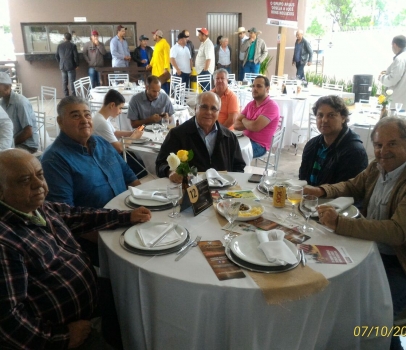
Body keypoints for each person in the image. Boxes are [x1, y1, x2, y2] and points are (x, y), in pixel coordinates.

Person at [0, 148, 151, 349]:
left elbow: (76, 215)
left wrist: (124, 216)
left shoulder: (35, 207)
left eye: (40, 175)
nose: (39, 185)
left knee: (143, 297)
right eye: (24, 180)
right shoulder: (5, 242)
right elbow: (8, 321)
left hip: (91, 300)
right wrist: (61, 338)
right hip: (68, 330)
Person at [304, 117, 406, 350]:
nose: (383, 151)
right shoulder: (376, 168)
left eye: (392, 144)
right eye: (379, 145)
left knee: (373, 315)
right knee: (328, 288)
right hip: (370, 252)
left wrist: (341, 224)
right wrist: (322, 190)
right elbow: (351, 186)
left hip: (399, 265)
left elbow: (398, 231)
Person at [41, 96, 141, 266]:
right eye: (75, 116)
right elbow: (66, 219)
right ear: (60, 121)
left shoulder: (101, 143)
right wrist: (111, 244)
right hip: (98, 238)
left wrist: (149, 204)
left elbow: (129, 176)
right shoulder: (54, 160)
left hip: (127, 221)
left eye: (87, 115)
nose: (84, 120)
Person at [155, 91, 245, 182]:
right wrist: (170, 172)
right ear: (195, 108)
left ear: (219, 112)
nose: (208, 112)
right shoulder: (177, 134)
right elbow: (160, 164)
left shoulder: (229, 137)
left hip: (223, 190)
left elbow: (239, 167)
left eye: (214, 108)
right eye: (204, 107)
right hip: (189, 190)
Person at [299, 95, 368, 186]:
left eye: (331, 115)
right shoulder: (312, 145)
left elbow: (349, 192)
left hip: (334, 200)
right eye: (320, 115)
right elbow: (302, 180)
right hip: (309, 198)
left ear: (343, 118)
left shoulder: (354, 151)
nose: (324, 120)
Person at [92, 89, 148, 178]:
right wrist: (134, 137)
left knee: (135, 157)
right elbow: (119, 148)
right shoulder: (101, 122)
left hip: (108, 153)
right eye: (120, 108)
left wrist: (131, 133)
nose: (121, 111)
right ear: (112, 105)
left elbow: (114, 133)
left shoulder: (102, 117)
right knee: (142, 168)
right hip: (106, 158)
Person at [234, 75, 280, 158]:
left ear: (267, 89)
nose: (254, 89)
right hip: (244, 139)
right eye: (253, 86)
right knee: (222, 146)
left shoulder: (271, 106)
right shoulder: (251, 104)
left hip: (259, 146)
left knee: (231, 153)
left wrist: (243, 119)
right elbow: (236, 125)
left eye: (259, 86)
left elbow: (255, 127)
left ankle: (237, 170)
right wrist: (250, 124)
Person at [0, 72, 39, 153]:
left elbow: (28, 132)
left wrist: (10, 143)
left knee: (4, 160)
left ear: (7, 87)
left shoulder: (20, 102)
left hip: (27, 145)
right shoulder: (2, 102)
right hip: (11, 142)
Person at [379, 35, 406, 109]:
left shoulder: (400, 59)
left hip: (398, 102)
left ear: (394, 44)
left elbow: (392, 80)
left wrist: (381, 77)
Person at [147, 29, 171, 94]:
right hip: (156, 71)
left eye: (154, 35)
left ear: (157, 36)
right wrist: (150, 64)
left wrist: (166, 68)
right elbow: (154, 57)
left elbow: (167, 56)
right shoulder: (157, 45)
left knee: (163, 90)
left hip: (162, 72)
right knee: (157, 89)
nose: (153, 36)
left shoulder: (165, 44)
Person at [55, 32, 79, 97]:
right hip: (71, 66)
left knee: (64, 82)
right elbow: (76, 56)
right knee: (72, 82)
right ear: (70, 38)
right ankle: (73, 97)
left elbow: (56, 56)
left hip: (62, 66)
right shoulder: (73, 45)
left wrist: (60, 62)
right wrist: (76, 65)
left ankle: (66, 97)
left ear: (64, 38)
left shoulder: (59, 46)